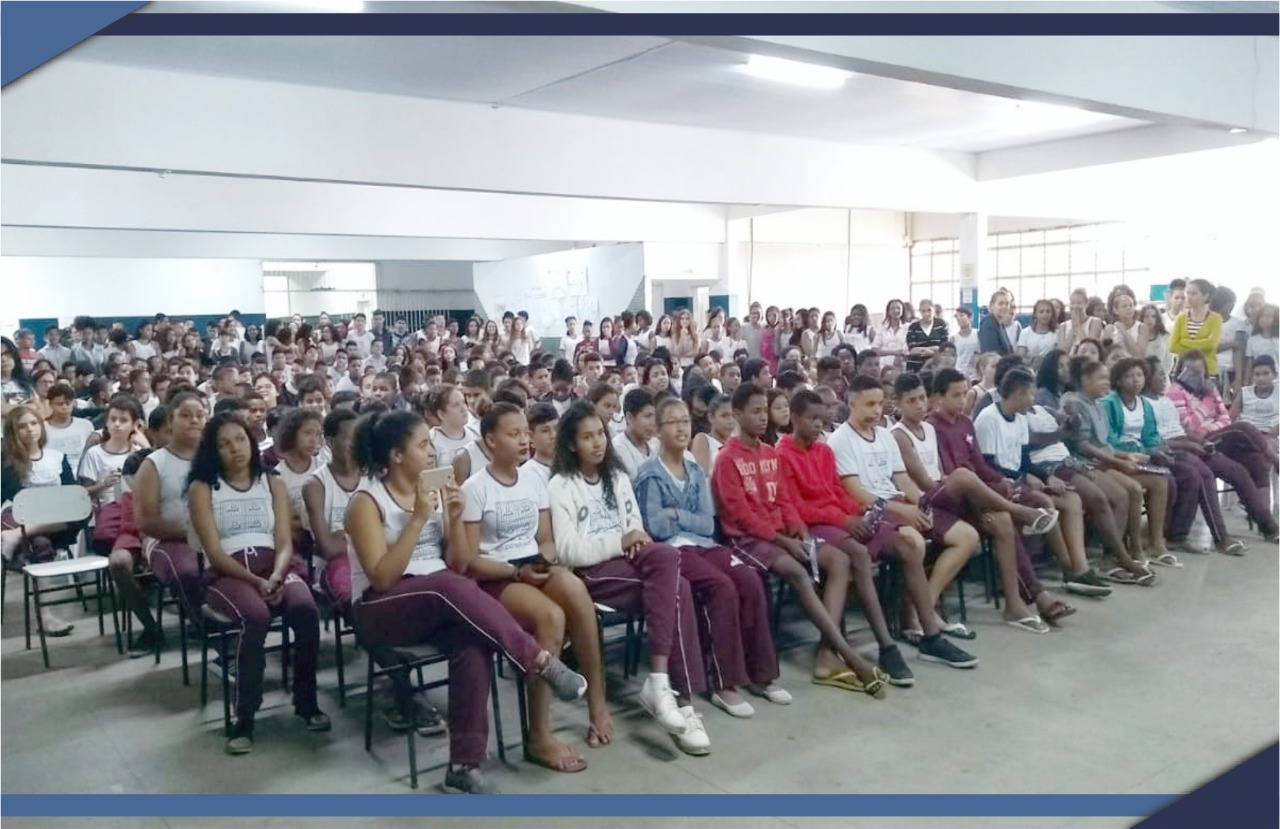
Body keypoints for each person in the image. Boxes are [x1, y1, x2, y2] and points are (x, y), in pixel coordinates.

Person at [345, 409, 587, 793]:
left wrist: (454, 516)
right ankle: (537, 658)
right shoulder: (366, 502)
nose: (431, 452)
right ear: (395, 455)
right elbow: (382, 577)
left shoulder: (432, 491)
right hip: (381, 608)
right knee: (445, 585)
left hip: (438, 598)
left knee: (472, 644)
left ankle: (463, 764)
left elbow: (457, 562)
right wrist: (417, 520)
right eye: (422, 445)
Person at [546, 401, 711, 755]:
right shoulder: (561, 485)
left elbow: (635, 524)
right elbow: (568, 549)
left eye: (601, 434)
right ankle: (680, 701)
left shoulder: (618, 477)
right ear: (572, 444)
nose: (597, 443)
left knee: (669, 560)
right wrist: (619, 542)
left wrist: (633, 538)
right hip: (595, 574)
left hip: (631, 561)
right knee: (678, 588)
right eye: (587, 437)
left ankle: (665, 687)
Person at [714, 384, 897, 694]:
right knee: (800, 572)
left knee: (839, 560)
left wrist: (798, 530)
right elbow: (741, 517)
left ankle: (828, 653)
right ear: (737, 414)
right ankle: (850, 655)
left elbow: (785, 502)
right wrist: (786, 541)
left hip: (783, 535)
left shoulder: (769, 453)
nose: (762, 418)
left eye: (765, 411)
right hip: (749, 541)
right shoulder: (727, 459)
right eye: (755, 412)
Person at [459, 402, 611, 770]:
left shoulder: (533, 478)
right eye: (514, 434)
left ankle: (597, 705)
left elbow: (543, 537)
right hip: (495, 575)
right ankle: (539, 736)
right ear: (490, 441)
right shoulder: (474, 488)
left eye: (526, 432)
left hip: (531, 564)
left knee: (576, 593)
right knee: (550, 617)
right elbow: (468, 560)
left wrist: (549, 560)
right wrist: (516, 572)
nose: (524, 440)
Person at [636, 398, 787, 714]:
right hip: (674, 550)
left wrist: (676, 512)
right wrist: (681, 518)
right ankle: (725, 682)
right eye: (673, 422)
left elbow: (707, 522)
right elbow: (656, 527)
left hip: (705, 544)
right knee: (721, 586)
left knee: (748, 578)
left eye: (685, 421)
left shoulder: (694, 469)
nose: (681, 427)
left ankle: (761, 675)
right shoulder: (649, 473)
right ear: (659, 432)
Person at [187, 412, 327, 754]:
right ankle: (245, 715)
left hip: (273, 565)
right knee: (256, 616)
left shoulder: (272, 481)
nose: (234, 448)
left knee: (306, 609)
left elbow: (283, 542)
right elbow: (214, 552)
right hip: (228, 572)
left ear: (250, 440)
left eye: (239, 439)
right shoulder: (203, 487)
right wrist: (255, 580)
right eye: (223, 444)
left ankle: (306, 701)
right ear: (213, 451)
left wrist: (277, 574)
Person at [822, 377, 981, 666]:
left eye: (880, 403)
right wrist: (901, 509)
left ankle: (925, 610)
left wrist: (920, 502)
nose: (876, 410)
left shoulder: (883, 435)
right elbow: (856, 492)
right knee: (914, 542)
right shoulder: (840, 440)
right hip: (873, 509)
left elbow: (902, 478)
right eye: (869, 404)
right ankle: (915, 619)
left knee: (967, 536)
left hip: (900, 504)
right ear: (851, 403)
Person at [1060, 358, 1172, 564]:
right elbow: (1083, 446)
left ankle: (1143, 547)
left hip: (1106, 461)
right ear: (1085, 380)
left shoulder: (1097, 404)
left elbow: (1105, 444)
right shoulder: (1075, 404)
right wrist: (1119, 462)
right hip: (1087, 465)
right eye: (1101, 378)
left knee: (1160, 480)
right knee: (1128, 492)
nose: (1106, 382)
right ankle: (1114, 556)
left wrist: (1124, 456)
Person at [1, 404, 81, 635]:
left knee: (77, 511)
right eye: (22, 426)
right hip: (21, 518)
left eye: (34, 423)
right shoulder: (6, 462)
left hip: (57, 522)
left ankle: (14, 539)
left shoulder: (58, 458)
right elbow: (19, 500)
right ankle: (45, 617)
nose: (30, 430)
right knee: (39, 544)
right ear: (13, 432)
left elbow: (73, 496)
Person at [1167, 349, 1278, 509]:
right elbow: (1190, 426)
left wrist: (1209, 427)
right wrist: (1208, 402)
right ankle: (1275, 459)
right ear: (1181, 372)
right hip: (1198, 442)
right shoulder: (1176, 392)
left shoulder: (1209, 388)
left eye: (1199, 371)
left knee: (1258, 460)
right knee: (1244, 427)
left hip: (1217, 435)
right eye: (1190, 372)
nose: (1195, 376)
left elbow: (1225, 418)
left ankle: (1265, 518)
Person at [133, 391, 208, 626]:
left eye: (199, 415)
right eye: (185, 415)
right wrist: (193, 531)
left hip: (213, 535)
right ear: (170, 422)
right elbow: (147, 522)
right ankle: (203, 624)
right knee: (188, 572)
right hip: (167, 541)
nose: (194, 420)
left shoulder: (213, 459)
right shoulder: (154, 464)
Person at [301, 409, 361, 607]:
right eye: (349, 438)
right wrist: (371, 535)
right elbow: (328, 548)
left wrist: (342, 535)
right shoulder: (316, 485)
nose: (356, 444)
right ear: (330, 442)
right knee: (356, 598)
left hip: (375, 556)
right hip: (336, 565)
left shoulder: (372, 475)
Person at [1169, 279, 1224, 377]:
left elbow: (1211, 344)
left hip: (1207, 372)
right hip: (1183, 371)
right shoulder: (1180, 318)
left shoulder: (1216, 319)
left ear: (1205, 296)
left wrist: (1184, 341)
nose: (1189, 297)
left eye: (1194, 294)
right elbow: (1173, 346)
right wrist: (1200, 344)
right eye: (1188, 293)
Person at [612, 388, 659, 478]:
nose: (653, 422)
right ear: (629, 417)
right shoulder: (618, 448)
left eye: (655, 416)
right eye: (648, 416)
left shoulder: (655, 445)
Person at [691, 393, 733, 477]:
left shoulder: (736, 442)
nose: (730, 421)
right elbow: (701, 477)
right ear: (711, 417)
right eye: (724, 416)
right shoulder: (703, 439)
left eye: (733, 415)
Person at [905, 300, 948, 373]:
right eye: (923, 311)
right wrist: (934, 349)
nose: (927, 313)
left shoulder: (941, 324)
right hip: (915, 366)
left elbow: (944, 347)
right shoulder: (913, 327)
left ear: (934, 309)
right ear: (920, 312)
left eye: (929, 310)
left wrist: (930, 352)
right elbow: (912, 350)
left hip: (936, 366)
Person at [522, 402, 559, 488]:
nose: (553, 435)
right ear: (531, 436)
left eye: (557, 428)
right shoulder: (526, 474)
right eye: (545, 431)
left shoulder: (570, 467)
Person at [978, 290, 1018, 356]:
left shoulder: (1000, 324)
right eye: (1000, 304)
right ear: (992, 306)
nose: (1004, 307)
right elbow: (991, 355)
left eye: (1007, 304)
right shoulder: (988, 324)